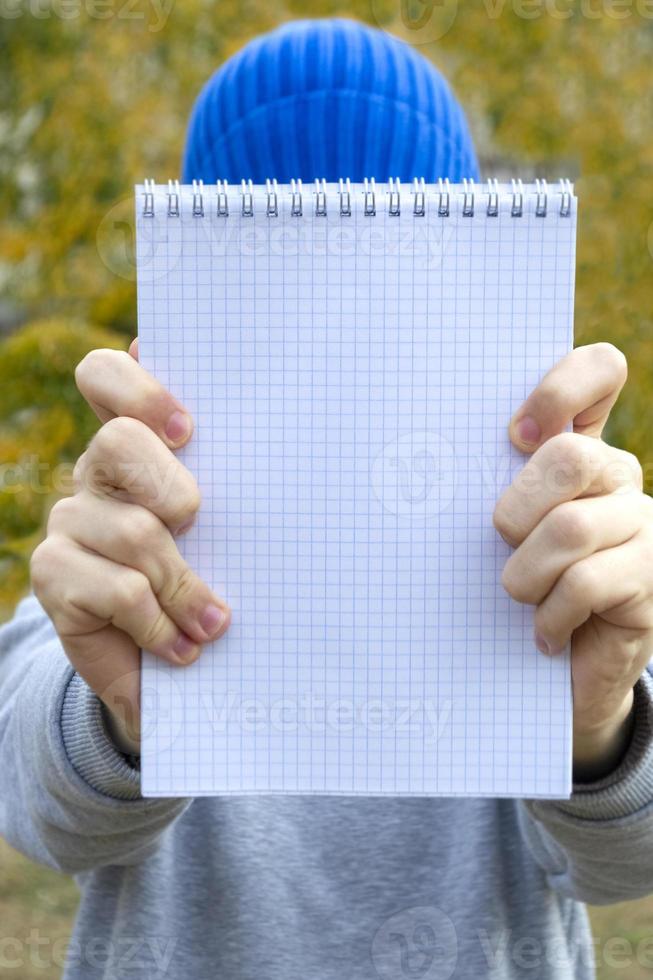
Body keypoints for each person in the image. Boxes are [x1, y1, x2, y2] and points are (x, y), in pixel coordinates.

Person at [2, 18, 653, 980]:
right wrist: (126, 714)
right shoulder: (119, 548)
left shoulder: (566, 543)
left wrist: (598, 721)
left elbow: (619, 864)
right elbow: (43, 807)